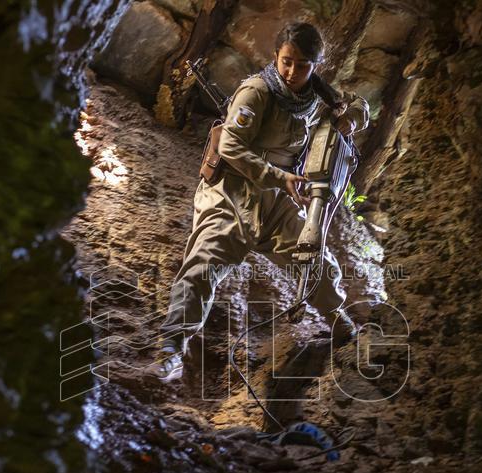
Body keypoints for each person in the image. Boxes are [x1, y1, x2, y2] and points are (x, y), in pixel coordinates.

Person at [155, 21, 369, 381]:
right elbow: (230, 146)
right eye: (286, 61)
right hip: (231, 193)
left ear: (315, 65)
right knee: (202, 267)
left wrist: (351, 119)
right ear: (276, 56)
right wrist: (278, 177)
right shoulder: (256, 91)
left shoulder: (319, 98)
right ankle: (171, 348)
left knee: (312, 255)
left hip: (278, 201)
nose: (291, 72)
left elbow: (360, 108)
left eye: (302, 65)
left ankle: (339, 323)